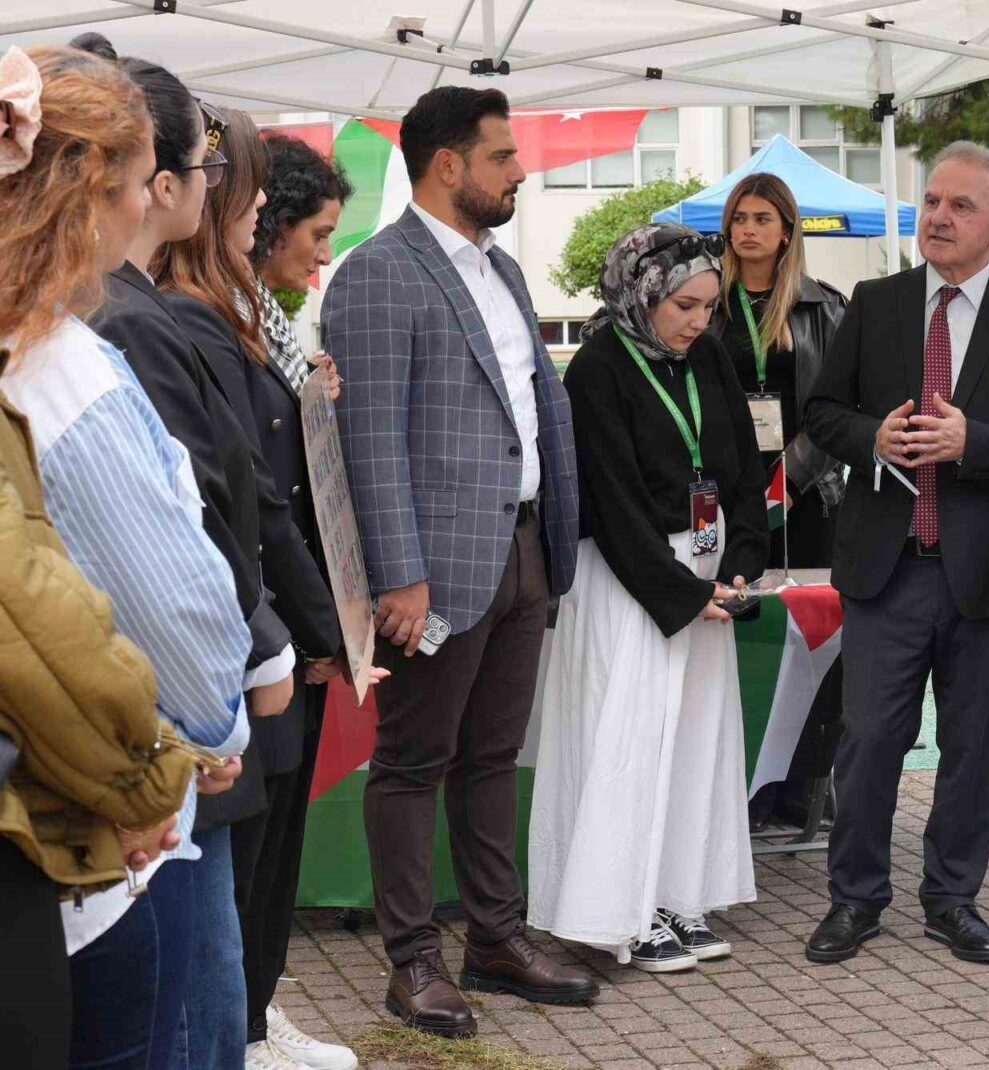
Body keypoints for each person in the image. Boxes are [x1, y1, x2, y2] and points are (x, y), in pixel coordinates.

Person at [323, 85, 596, 1038]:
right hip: (433, 571)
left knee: (491, 759)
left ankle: (496, 939)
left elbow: (529, 407)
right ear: (449, 165)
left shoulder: (504, 271)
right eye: (503, 156)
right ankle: (413, 963)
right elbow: (370, 440)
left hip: (522, 550)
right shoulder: (376, 273)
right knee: (411, 763)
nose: (520, 170)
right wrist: (399, 573)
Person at [0, 44, 252, 1070]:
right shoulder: (61, 361)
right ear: (96, 189)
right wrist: (200, 729)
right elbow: (170, 603)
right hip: (110, 825)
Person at [803, 142, 989, 966]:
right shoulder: (877, 300)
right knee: (868, 742)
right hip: (886, 572)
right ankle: (854, 900)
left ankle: (952, 899)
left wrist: (975, 440)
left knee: (971, 746)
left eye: (961, 207)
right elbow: (822, 409)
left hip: (988, 576)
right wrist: (870, 437)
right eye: (931, 201)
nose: (938, 217)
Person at [73, 40, 296, 1069]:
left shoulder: (111, 320)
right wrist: (240, 680)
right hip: (155, 749)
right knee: (182, 1018)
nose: (223, 192)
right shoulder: (111, 331)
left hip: (145, 742)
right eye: (208, 168)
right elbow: (181, 545)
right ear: (141, 182)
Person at [153, 110, 358, 1070]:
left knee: (267, 858)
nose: (321, 254)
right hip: (254, 631)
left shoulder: (253, 319)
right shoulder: (192, 321)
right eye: (313, 234)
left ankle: (251, 1011)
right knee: (244, 862)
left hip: (278, 625)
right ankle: (236, 1025)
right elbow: (242, 505)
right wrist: (313, 631)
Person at [528, 224, 769, 972]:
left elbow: (743, 469)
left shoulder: (708, 358)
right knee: (626, 741)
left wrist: (742, 564)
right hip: (632, 582)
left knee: (694, 740)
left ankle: (673, 894)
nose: (699, 322)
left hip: (704, 576)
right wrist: (676, 593)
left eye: (709, 306)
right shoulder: (599, 367)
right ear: (644, 294)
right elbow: (611, 497)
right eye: (685, 306)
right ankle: (610, 912)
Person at [706, 172, 846, 831]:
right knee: (743, 633)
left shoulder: (824, 306)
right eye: (740, 217)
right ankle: (743, 784)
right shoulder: (707, 304)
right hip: (727, 495)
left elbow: (841, 407)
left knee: (811, 636)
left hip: (809, 495)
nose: (749, 229)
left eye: (763, 217)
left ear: (787, 230)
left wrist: (786, 481)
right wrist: (746, 487)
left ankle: (804, 783)